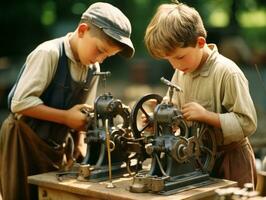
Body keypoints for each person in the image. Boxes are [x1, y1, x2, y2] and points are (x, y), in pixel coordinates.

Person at [0, 2, 134, 200]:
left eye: (107, 56)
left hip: (55, 146)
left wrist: (80, 144)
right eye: (99, 50)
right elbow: (19, 102)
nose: (101, 59)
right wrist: (65, 118)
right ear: (82, 30)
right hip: (22, 141)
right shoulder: (49, 53)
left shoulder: (93, 68)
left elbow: (84, 112)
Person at [144, 1, 257, 188]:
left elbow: (247, 123)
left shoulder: (227, 72)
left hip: (231, 161)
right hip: (196, 158)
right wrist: (157, 119)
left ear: (200, 42)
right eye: (169, 59)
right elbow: (173, 107)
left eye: (179, 57)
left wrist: (207, 116)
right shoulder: (182, 71)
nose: (175, 65)